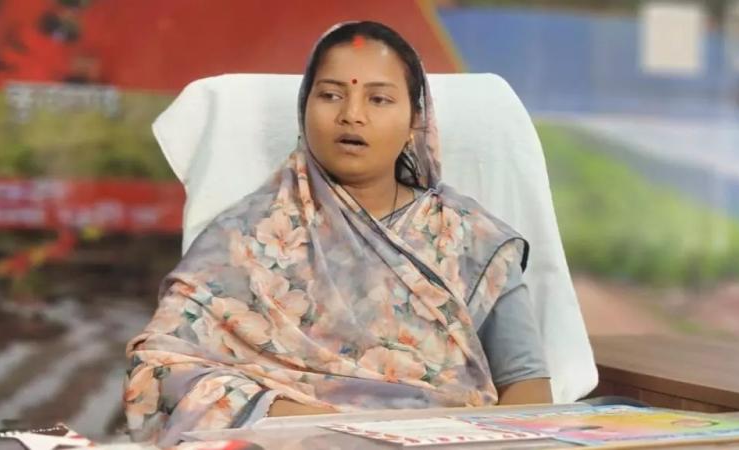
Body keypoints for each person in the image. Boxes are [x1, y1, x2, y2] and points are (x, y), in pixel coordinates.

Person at [124, 21, 551, 446]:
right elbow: (158, 369)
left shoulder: (469, 239)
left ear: (415, 121)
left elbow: (527, 387)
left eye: (379, 99)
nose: (352, 115)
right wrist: (311, 425)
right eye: (331, 95)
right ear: (304, 107)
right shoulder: (244, 239)